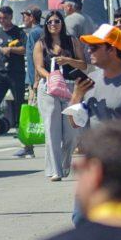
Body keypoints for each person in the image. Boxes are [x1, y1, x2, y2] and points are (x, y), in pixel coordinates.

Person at [32, 11, 79, 181]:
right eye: (50, 22)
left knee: (72, 133)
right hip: (49, 87)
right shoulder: (41, 44)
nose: (53, 24)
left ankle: (65, 163)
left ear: (62, 23)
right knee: (52, 129)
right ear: (46, 24)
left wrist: (68, 61)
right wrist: (51, 77)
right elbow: (38, 66)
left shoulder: (71, 41)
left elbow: (83, 63)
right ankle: (55, 170)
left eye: (57, 21)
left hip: (70, 86)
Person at [0, 4, 29, 134]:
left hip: (15, 72)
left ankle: (20, 128)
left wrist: (11, 49)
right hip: (0, 72)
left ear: (11, 17)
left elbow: (25, 49)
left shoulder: (19, 32)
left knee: (19, 101)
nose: (2, 20)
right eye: (0, 18)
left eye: (5, 18)